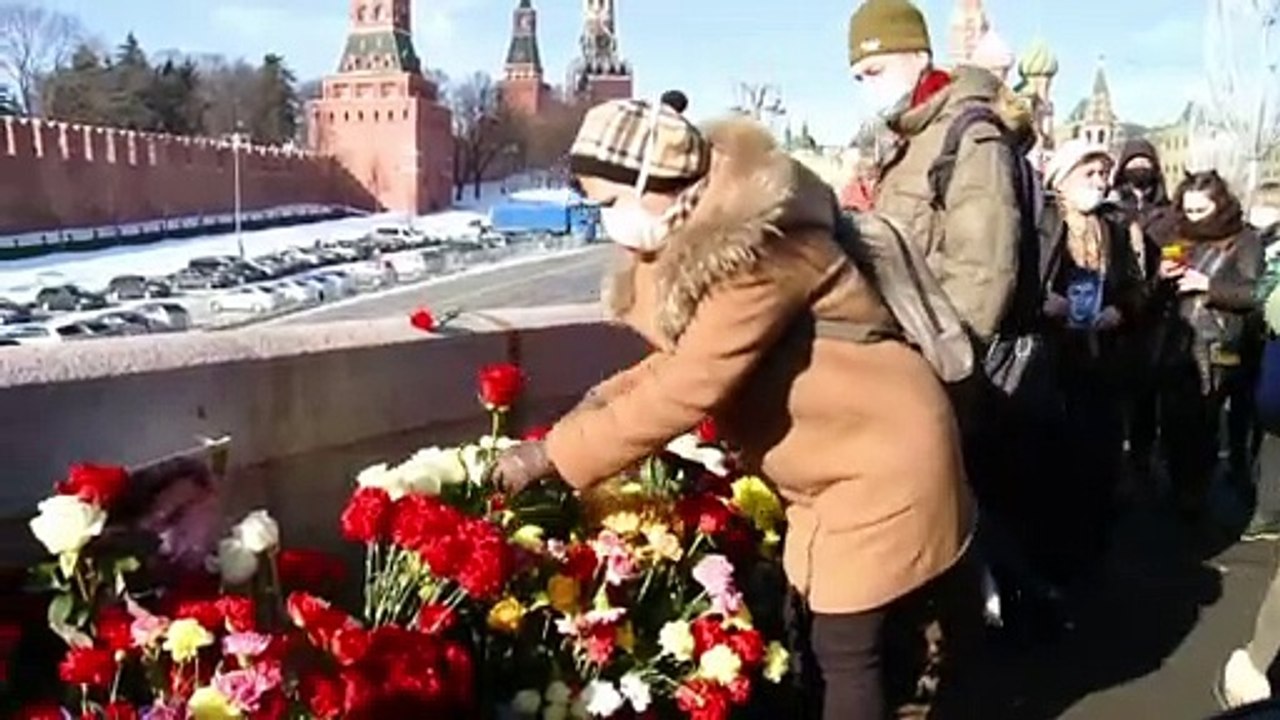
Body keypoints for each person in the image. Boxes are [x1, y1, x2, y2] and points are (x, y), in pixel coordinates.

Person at [491, 97, 980, 719]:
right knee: (833, 636)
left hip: (881, 459)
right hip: (839, 462)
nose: (606, 219)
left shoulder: (759, 252)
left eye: (610, 201)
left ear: (655, 183)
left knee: (847, 646)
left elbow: (691, 384)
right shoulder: (708, 241)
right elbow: (684, 358)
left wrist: (551, 455)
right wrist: (598, 403)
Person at [1037, 140, 1145, 582]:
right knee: (1056, 462)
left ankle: (1094, 550)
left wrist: (1123, 309)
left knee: (1100, 455)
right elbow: (1016, 280)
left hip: (1104, 358)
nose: (1099, 184)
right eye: (1089, 175)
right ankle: (1057, 552)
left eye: (1103, 176)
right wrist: (1043, 302)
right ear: (1061, 180)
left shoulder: (1114, 228)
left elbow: (1137, 286)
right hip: (1053, 359)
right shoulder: (1041, 227)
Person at [1154, 170, 1263, 523]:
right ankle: (1178, 481)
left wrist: (1209, 285)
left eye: (1201, 211)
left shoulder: (1244, 240)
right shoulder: (1177, 234)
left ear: (1220, 204)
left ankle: (1195, 491)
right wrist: (1161, 276)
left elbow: (1256, 293)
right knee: (1172, 417)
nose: (1193, 218)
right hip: (1177, 337)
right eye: (1188, 210)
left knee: (1203, 418)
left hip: (1220, 341)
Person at [1111, 140, 1178, 491]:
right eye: (1133, 161)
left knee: (1146, 392)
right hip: (1119, 310)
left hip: (1156, 312)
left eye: (1145, 161)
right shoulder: (1112, 208)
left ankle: (1141, 456)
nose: (1140, 168)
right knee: (1115, 389)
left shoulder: (1168, 213)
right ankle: (1115, 457)